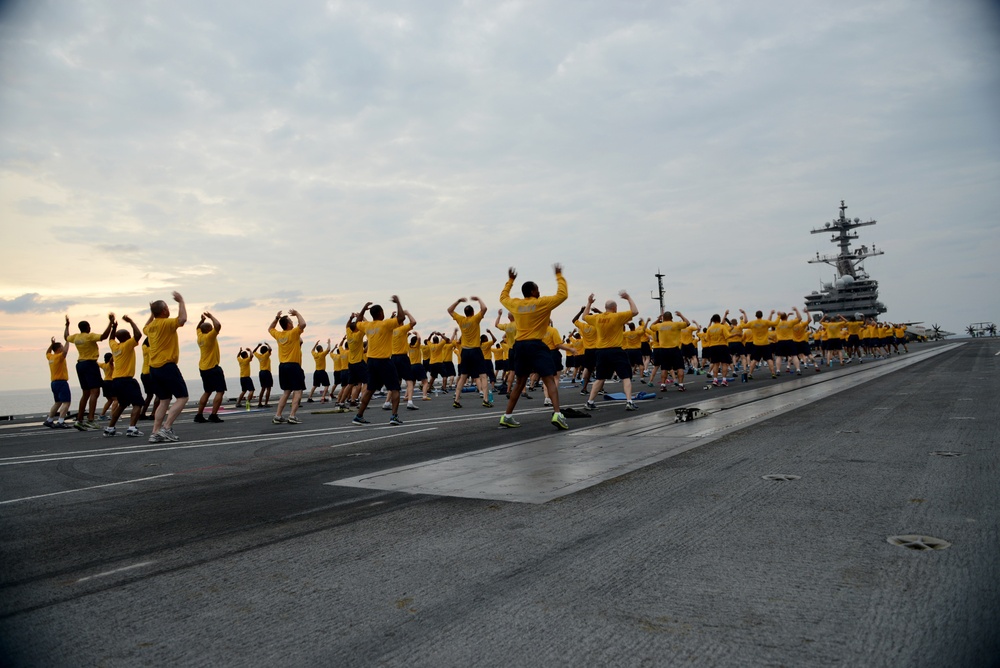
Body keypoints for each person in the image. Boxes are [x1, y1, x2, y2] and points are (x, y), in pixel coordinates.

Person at [498, 264, 569, 429]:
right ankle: (557, 414)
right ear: (532, 291)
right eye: (537, 289)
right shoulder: (542, 303)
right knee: (549, 379)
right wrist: (559, 276)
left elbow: (503, 297)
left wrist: (510, 280)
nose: (539, 292)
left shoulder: (516, 304)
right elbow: (562, 294)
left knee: (519, 382)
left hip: (520, 346)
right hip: (536, 345)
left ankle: (507, 416)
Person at [349, 296, 406, 426]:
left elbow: (357, 322)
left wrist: (363, 308)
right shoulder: (385, 324)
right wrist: (398, 302)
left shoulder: (367, 325)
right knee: (395, 388)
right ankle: (394, 416)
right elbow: (401, 318)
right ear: (381, 313)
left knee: (370, 390)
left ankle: (358, 416)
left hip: (371, 362)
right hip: (384, 361)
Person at [143, 291, 189, 443]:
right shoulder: (167, 323)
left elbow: (145, 326)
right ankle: (166, 428)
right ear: (164, 311)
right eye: (167, 308)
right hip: (167, 366)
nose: (169, 310)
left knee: (164, 400)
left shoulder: (150, 328)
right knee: (182, 397)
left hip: (153, 368)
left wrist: (152, 313)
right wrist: (181, 301)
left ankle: (155, 432)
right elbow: (182, 319)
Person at [583, 291, 640, 411]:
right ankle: (629, 401)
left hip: (601, 352)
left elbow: (584, 317)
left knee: (600, 378)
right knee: (625, 376)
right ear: (614, 308)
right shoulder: (617, 317)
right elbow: (635, 311)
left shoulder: (597, 318)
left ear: (605, 308)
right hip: (616, 351)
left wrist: (589, 303)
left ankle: (590, 402)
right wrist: (628, 298)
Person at [65, 313, 114, 430]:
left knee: (85, 393)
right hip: (90, 364)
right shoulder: (89, 336)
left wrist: (67, 326)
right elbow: (104, 336)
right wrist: (110, 323)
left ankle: (79, 420)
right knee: (95, 392)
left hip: (80, 365)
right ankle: (90, 419)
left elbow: (66, 337)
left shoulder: (76, 337)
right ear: (87, 327)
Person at [104, 315, 145, 437]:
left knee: (122, 405)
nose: (130, 335)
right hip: (127, 380)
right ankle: (132, 428)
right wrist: (131, 321)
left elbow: (111, 339)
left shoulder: (114, 347)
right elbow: (138, 335)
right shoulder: (128, 345)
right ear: (127, 337)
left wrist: (114, 328)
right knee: (138, 403)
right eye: (128, 334)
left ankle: (110, 428)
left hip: (116, 380)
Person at [448, 296, 491, 409]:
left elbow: (450, 310)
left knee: (463, 377)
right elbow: (484, 308)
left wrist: (458, 301)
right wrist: (479, 299)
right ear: (472, 312)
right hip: (475, 350)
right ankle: (486, 399)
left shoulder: (461, 320)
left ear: (465, 313)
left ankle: (456, 400)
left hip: (465, 352)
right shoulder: (475, 319)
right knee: (483, 375)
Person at [268, 309, 307, 424]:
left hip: (283, 366)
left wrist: (276, 318)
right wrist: (297, 314)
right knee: (298, 391)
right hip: (293, 365)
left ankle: (278, 415)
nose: (292, 322)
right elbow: (303, 324)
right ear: (289, 324)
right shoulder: (293, 333)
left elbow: (270, 328)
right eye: (291, 320)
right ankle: (292, 416)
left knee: (286, 392)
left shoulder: (279, 335)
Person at [194, 312, 226, 423]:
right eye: (211, 328)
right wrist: (211, 317)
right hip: (213, 367)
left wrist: (202, 320)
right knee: (220, 391)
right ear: (208, 330)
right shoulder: (209, 337)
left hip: (203, 368)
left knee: (207, 391)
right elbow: (218, 325)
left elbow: (197, 328)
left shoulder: (200, 336)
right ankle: (213, 415)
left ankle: (199, 415)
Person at [389, 310, 418, 410]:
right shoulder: (401, 329)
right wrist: (407, 313)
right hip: (402, 357)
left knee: (395, 381)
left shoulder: (390, 331)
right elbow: (413, 322)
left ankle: (387, 402)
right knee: (409, 380)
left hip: (393, 357)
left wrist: (392, 317)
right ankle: (410, 401)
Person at [43, 334, 71, 429]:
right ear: (59, 349)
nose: (63, 348)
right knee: (66, 402)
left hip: (54, 383)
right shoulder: (59, 357)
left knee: (57, 402)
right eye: (62, 347)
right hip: (61, 382)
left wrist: (52, 344)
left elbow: (47, 352)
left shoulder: (50, 357)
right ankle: (61, 421)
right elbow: (65, 352)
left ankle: (49, 420)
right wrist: (67, 340)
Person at [253, 343, 273, 407]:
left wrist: (258, 346)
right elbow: (270, 349)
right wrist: (268, 344)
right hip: (266, 372)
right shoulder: (266, 355)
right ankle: (266, 403)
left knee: (263, 388)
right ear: (266, 351)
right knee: (268, 388)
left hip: (261, 372)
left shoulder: (259, 356)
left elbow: (254, 351)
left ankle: (259, 403)